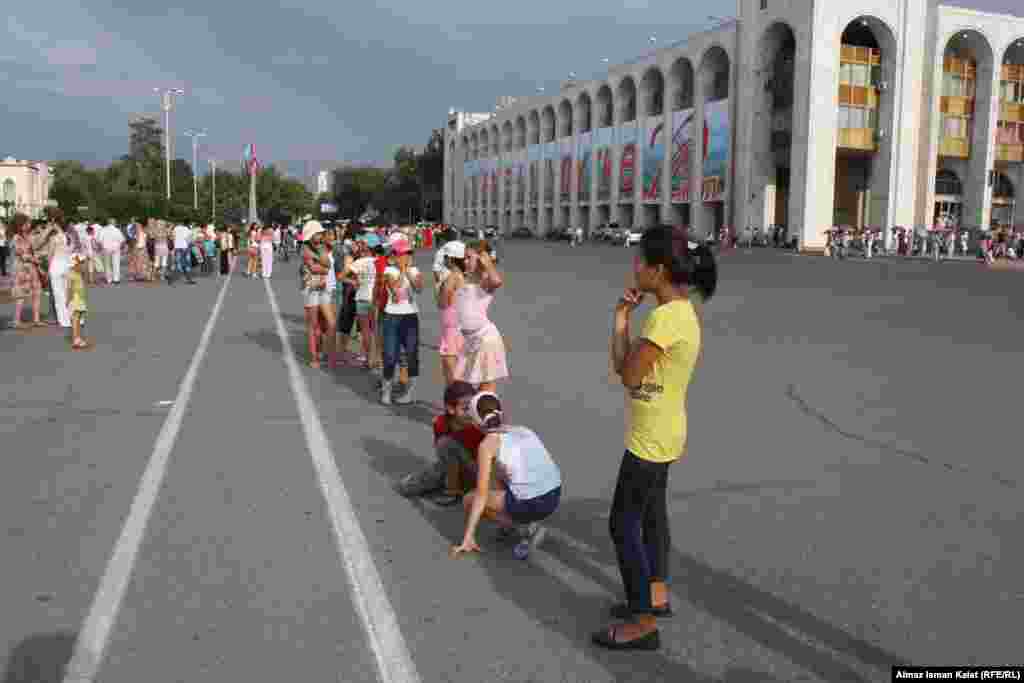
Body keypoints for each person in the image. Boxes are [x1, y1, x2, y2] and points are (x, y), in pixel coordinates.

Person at [593, 225, 716, 652]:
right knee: (651, 515)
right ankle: (656, 595)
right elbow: (626, 368)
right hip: (663, 430)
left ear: (658, 270)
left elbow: (627, 375)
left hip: (650, 438)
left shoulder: (667, 317)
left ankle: (643, 620)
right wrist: (622, 321)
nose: (635, 267)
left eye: (640, 261)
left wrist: (624, 328)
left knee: (621, 523)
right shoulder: (677, 312)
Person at [450, 391, 561, 559]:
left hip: (533, 502)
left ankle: (526, 529)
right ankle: (514, 522)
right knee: (500, 471)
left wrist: (468, 537)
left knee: (469, 500)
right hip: (554, 494)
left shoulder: (487, 445)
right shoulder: (523, 430)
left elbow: (480, 496)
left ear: (475, 422)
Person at [395, 381, 484, 503]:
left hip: (480, 472)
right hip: (458, 468)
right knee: (406, 487)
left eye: (473, 408)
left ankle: (452, 491)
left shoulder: (480, 424)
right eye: (466, 408)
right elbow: (445, 459)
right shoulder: (440, 423)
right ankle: (454, 484)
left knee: (445, 444)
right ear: (451, 409)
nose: (471, 413)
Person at [453, 240, 508, 392]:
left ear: (480, 259)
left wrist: (488, 263)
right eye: (464, 257)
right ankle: (474, 412)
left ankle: (487, 413)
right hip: (471, 341)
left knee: (485, 387)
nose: (465, 261)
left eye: (469, 257)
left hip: (485, 338)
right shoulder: (466, 277)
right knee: (461, 384)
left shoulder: (484, 280)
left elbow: (497, 281)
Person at [379, 237, 422, 405]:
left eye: (408, 254)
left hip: (410, 316)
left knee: (412, 355)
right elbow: (395, 293)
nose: (406, 257)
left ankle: (409, 393)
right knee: (390, 355)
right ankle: (386, 390)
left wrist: (409, 272)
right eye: (402, 254)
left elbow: (418, 288)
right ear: (395, 256)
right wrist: (403, 270)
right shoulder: (389, 271)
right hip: (392, 316)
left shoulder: (415, 270)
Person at [300, 221, 336, 369]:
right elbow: (314, 267)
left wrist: (321, 266)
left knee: (326, 322)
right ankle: (314, 356)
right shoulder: (305, 249)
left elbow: (327, 264)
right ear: (311, 235)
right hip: (310, 288)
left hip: (322, 287)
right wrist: (323, 268)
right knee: (313, 325)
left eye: (321, 234)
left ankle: (322, 351)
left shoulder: (321, 248)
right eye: (318, 233)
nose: (321, 236)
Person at [436, 241, 465, 386]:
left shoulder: (452, 277)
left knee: (451, 374)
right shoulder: (466, 276)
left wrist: (439, 289)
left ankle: (453, 405)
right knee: (462, 370)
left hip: (452, 328)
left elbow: (443, 303)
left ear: (451, 259)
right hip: (462, 325)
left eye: (445, 257)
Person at [9, 214, 44, 329]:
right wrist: (35, 259)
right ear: (20, 225)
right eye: (27, 223)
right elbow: (22, 255)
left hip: (32, 268)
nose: (29, 225)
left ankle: (36, 319)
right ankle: (16, 320)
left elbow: (34, 249)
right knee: (21, 295)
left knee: (37, 292)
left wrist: (38, 264)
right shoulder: (16, 238)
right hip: (21, 269)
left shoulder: (28, 236)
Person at [47, 220, 72, 329]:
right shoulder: (68, 237)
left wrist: (48, 268)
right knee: (67, 292)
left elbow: (50, 255)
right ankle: (72, 317)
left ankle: (64, 320)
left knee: (58, 294)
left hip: (56, 264)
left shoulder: (54, 238)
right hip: (66, 264)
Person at [66, 254, 89, 349]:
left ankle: (77, 337)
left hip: (79, 298)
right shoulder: (71, 274)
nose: (83, 265)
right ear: (75, 264)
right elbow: (69, 288)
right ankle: (76, 338)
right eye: (81, 263)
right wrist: (68, 299)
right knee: (76, 318)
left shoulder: (79, 273)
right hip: (75, 298)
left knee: (78, 318)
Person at [99, 219, 124, 285]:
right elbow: (121, 240)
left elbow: (100, 240)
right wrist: (121, 247)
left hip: (106, 248)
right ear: (114, 223)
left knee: (107, 264)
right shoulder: (117, 230)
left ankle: (108, 279)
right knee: (116, 264)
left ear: (108, 223)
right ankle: (116, 279)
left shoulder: (103, 230)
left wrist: (101, 247)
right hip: (116, 249)